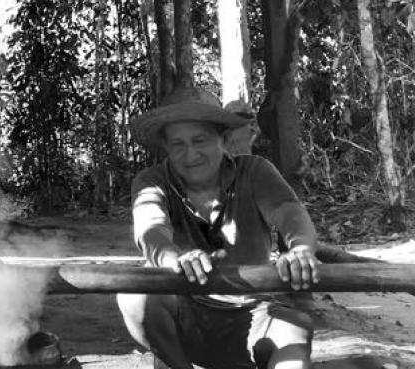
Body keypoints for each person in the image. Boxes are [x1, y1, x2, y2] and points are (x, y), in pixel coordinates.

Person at [117, 86, 319, 369]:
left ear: (222, 139)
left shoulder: (255, 171)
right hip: (188, 314)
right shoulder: (152, 181)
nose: (190, 154)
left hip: (255, 311)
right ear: (166, 148)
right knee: (134, 296)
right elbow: (151, 231)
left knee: (295, 331)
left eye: (199, 140)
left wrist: (300, 249)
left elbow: (289, 212)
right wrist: (176, 260)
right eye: (178, 144)